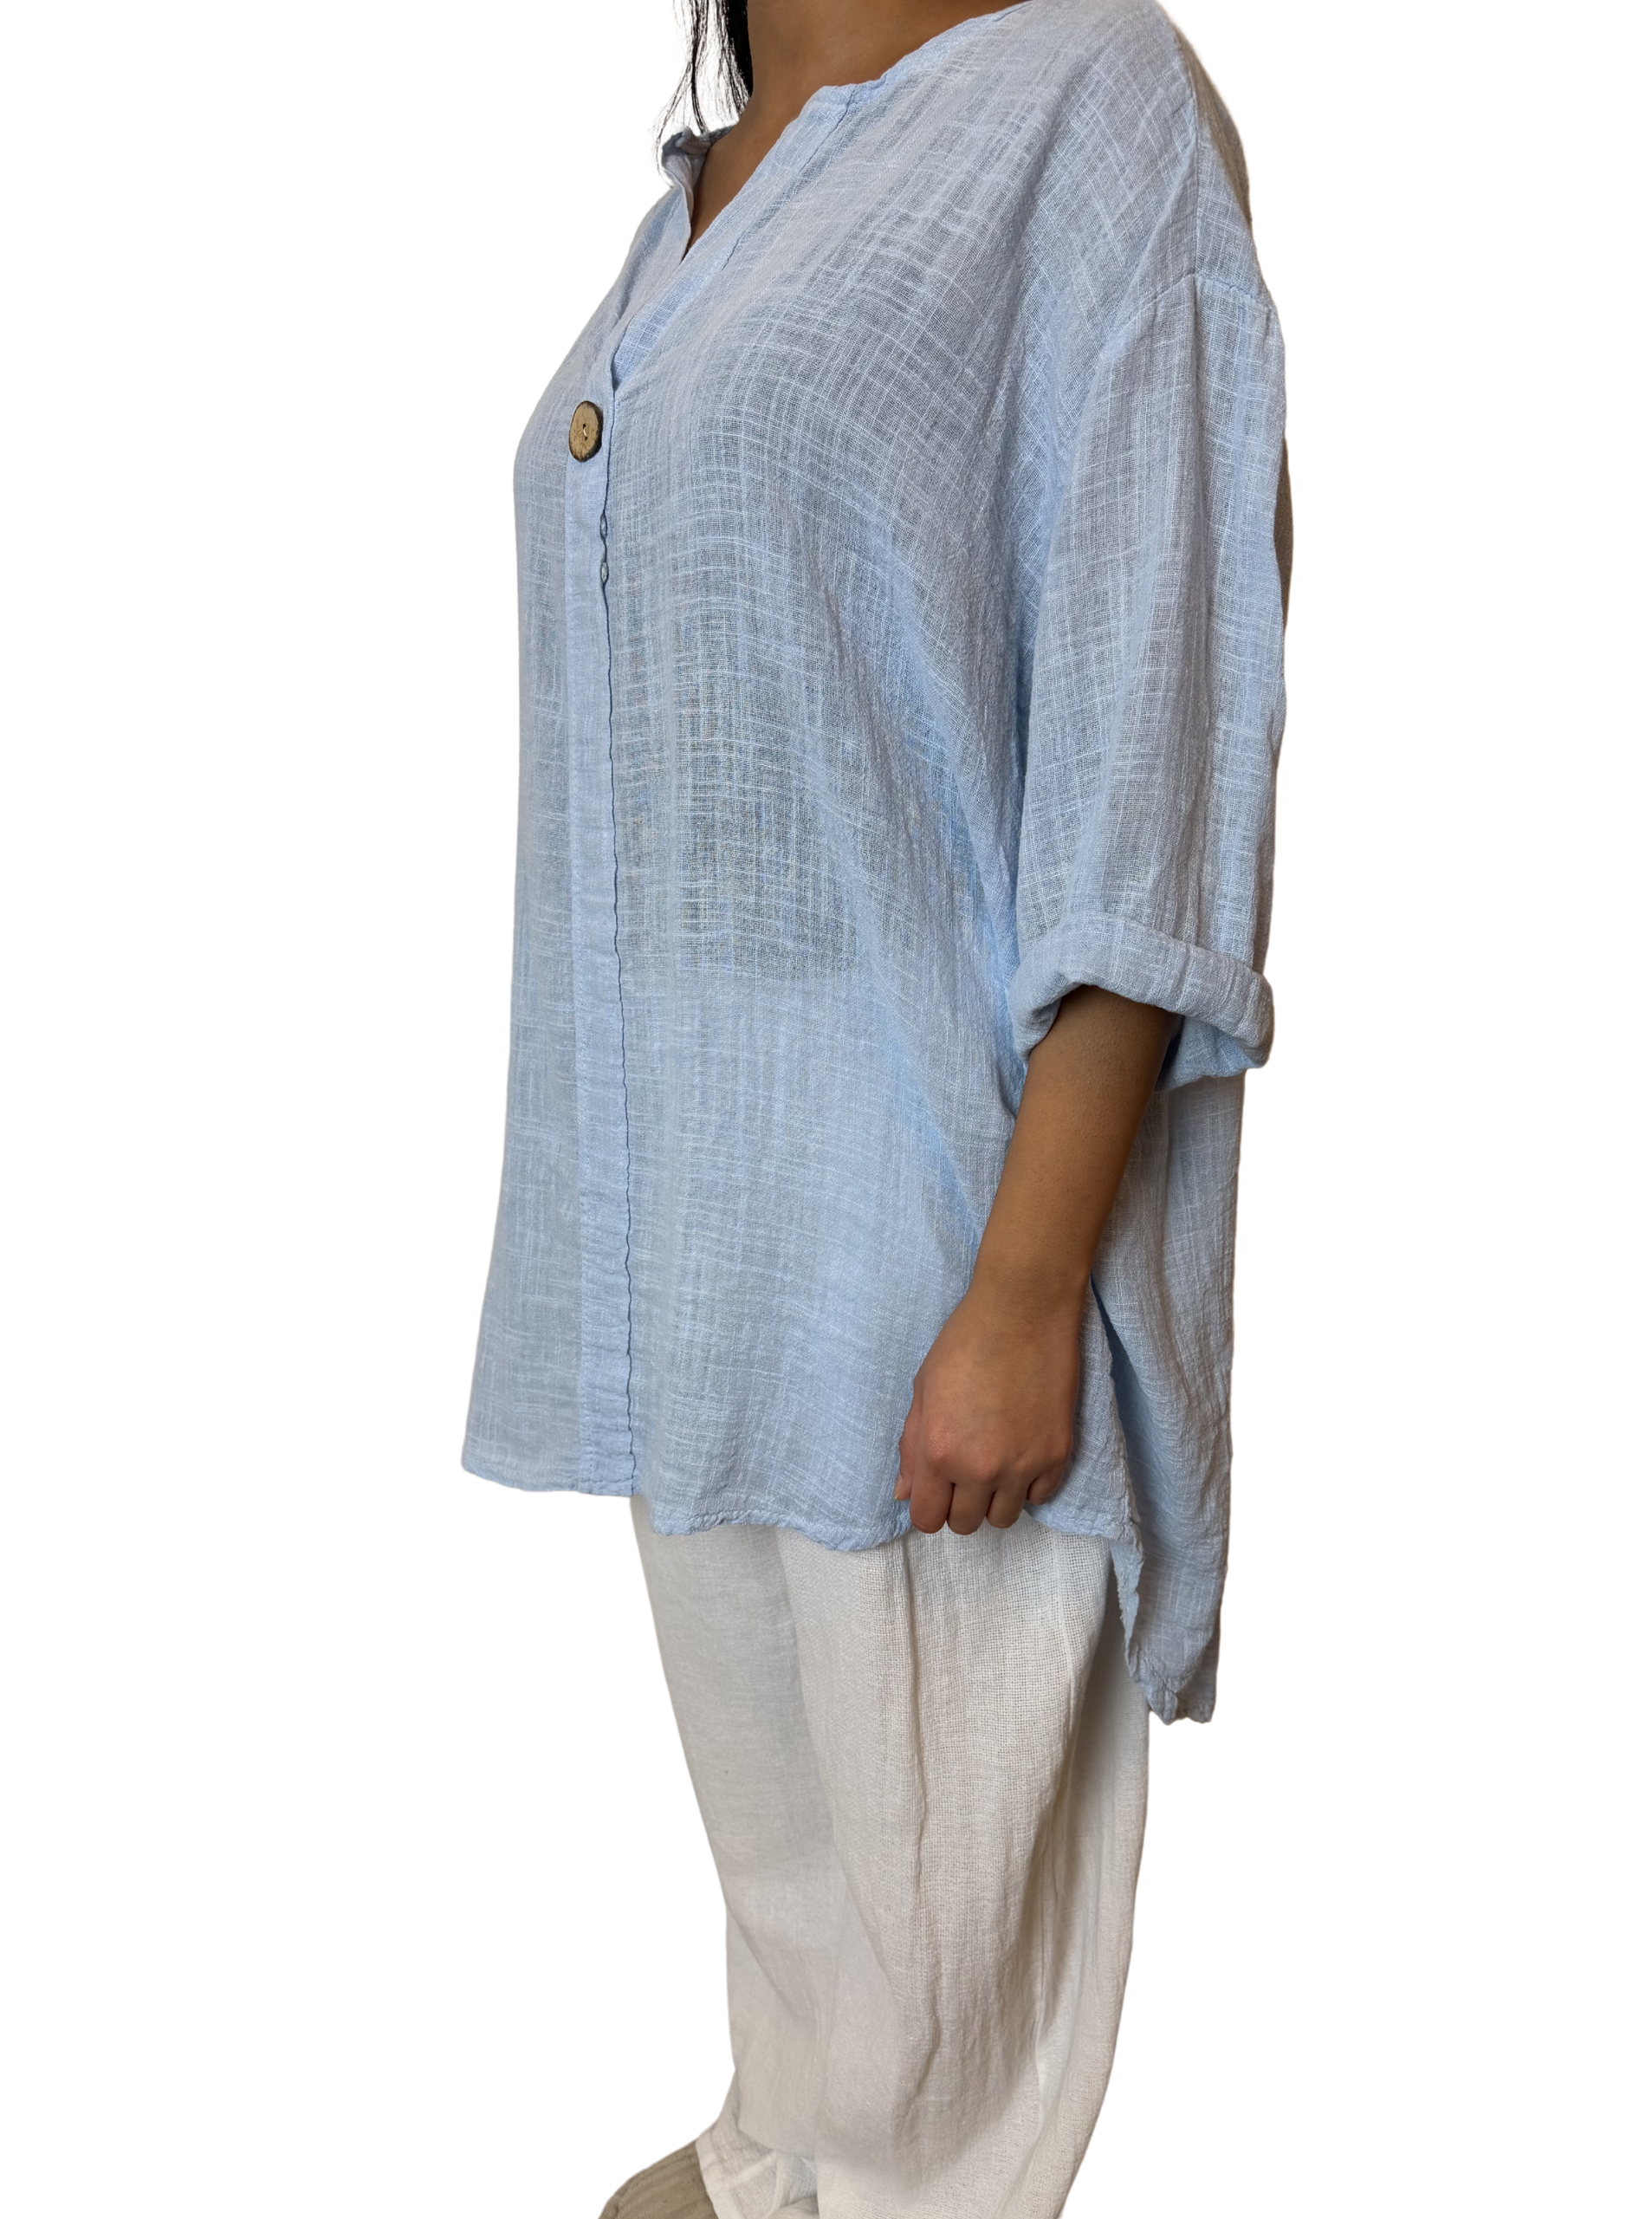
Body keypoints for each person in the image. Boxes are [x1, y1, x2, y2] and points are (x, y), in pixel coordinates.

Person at [459, 0, 1293, 2209]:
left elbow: (1149, 749)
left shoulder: (1090, 95)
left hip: (924, 1238)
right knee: (803, 1946)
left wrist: (1022, 1289)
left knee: (942, 2042)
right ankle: (773, 2157)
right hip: (688, 1251)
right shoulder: (692, 184)